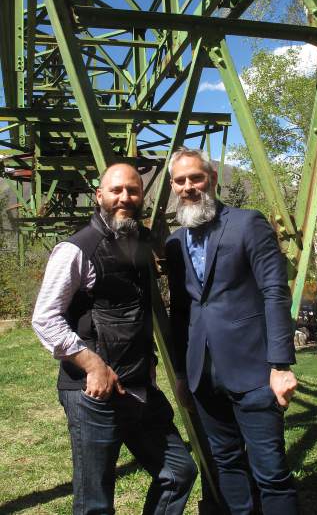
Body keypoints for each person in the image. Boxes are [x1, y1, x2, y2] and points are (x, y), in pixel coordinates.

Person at [32, 163, 197, 515]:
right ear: (100, 195)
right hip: (94, 393)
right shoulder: (77, 249)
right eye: (116, 190)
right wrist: (91, 363)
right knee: (95, 502)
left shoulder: (135, 243)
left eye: (133, 191)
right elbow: (45, 318)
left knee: (179, 472)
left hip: (137, 387)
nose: (125, 197)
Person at [165, 148, 299, 515]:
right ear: (173, 186)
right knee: (226, 464)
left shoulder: (246, 223)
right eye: (180, 180)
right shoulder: (175, 242)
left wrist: (281, 364)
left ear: (211, 178)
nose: (189, 187)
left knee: (271, 473)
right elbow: (181, 311)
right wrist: (180, 373)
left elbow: (274, 291)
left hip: (254, 370)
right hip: (203, 376)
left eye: (196, 177)